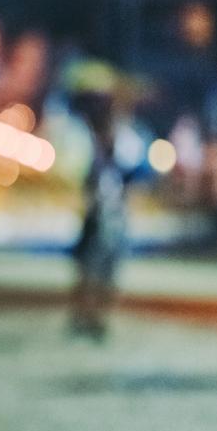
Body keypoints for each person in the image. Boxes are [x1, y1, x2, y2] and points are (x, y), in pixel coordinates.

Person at [71, 98, 128, 340]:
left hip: (113, 225)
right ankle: (85, 315)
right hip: (96, 223)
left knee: (106, 275)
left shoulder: (121, 161)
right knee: (88, 273)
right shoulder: (92, 157)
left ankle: (99, 317)